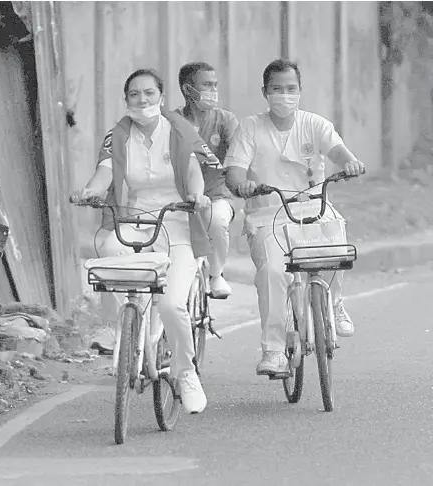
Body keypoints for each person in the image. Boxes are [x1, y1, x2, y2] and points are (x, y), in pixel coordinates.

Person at [71, 68, 220, 413]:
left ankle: (185, 373)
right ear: (126, 100)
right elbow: (104, 174)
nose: (142, 100)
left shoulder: (180, 130)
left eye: (149, 93)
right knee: (107, 252)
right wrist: (89, 193)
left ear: (161, 97)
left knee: (172, 305)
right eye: (134, 94)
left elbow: (195, 170)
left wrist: (197, 196)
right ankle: (129, 321)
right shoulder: (117, 136)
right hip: (133, 222)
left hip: (177, 223)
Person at [225, 59, 366, 375]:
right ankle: (273, 350)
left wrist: (352, 163)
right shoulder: (250, 128)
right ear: (265, 92)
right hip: (268, 214)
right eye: (277, 89)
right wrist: (242, 184)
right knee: (273, 273)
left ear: (300, 91)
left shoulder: (314, 124)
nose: (284, 95)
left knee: (336, 241)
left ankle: (334, 303)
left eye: (291, 89)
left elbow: (338, 152)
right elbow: (234, 172)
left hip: (312, 207)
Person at [174, 61, 239, 298]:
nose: (213, 90)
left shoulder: (225, 120)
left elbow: (237, 154)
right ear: (187, 89)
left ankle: (216, 274)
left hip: (216, 195)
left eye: (215, 85)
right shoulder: (172, 121)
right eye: (206, 85)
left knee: (217, 219)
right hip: (180, 196)